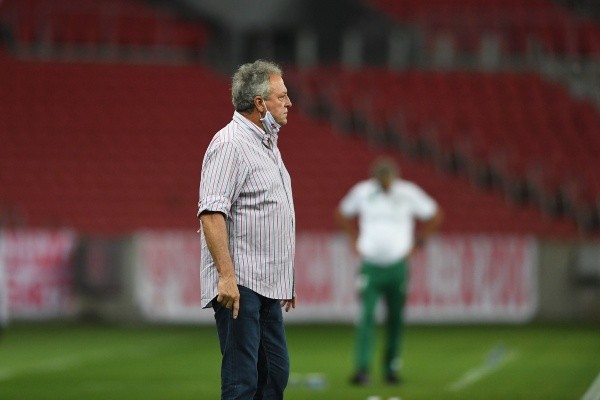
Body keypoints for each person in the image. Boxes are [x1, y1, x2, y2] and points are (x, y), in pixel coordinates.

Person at [197, 59, 296, 400]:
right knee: (242, 382)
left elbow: (271, 214)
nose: (289, 103)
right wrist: (226, 276)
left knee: (274, 376)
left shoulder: (266, 143)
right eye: (281, 96)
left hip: (266, 283)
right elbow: (211, 213)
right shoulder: (231, 144)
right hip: (241, 284)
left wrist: (285, 278)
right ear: (259, 103)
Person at [335, 156, 443, 386]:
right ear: (375, 177)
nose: (385, 181)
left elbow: (435, 214)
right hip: (370, 265)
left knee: (395, 318)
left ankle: (391, 368)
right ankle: (362, 368)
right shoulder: (363, 192)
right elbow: (342, 213)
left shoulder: (407, 193)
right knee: (366, 316)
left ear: (395, 176)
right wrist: (352, 239)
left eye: (387, 177)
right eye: (381, 177)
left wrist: (419, 243)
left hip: (397, 265)